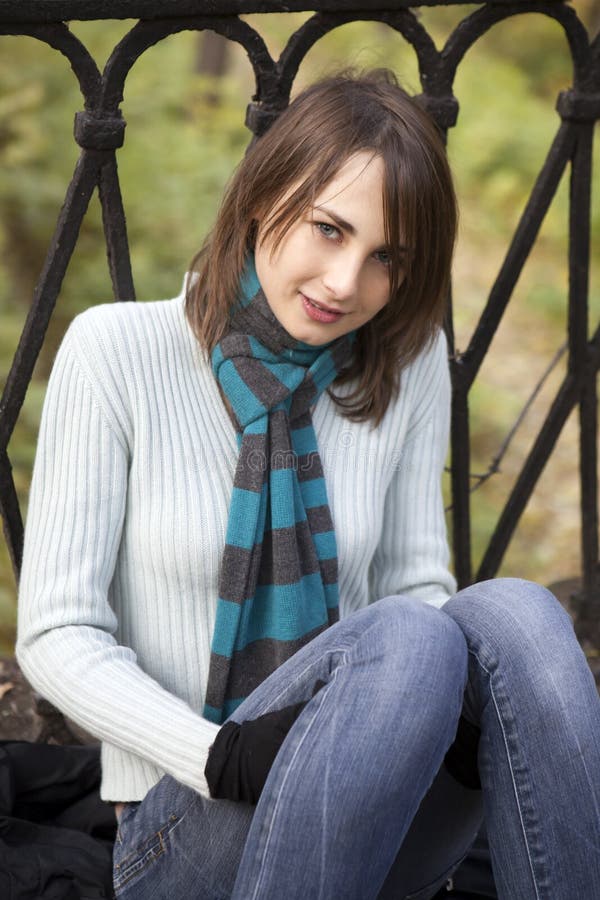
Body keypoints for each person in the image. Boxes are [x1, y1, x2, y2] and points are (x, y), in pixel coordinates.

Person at [16, 70, 600, 900]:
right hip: (187, 815)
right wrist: (221, 755)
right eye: (329, 230)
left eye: (384, 259)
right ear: (262, 195)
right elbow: (56, 633)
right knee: (408, 639)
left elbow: (415, 582)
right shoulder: (116, 354)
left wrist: (457, 724)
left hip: (378, 792)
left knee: (517, 613)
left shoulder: (408, 359)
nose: (344, 284)